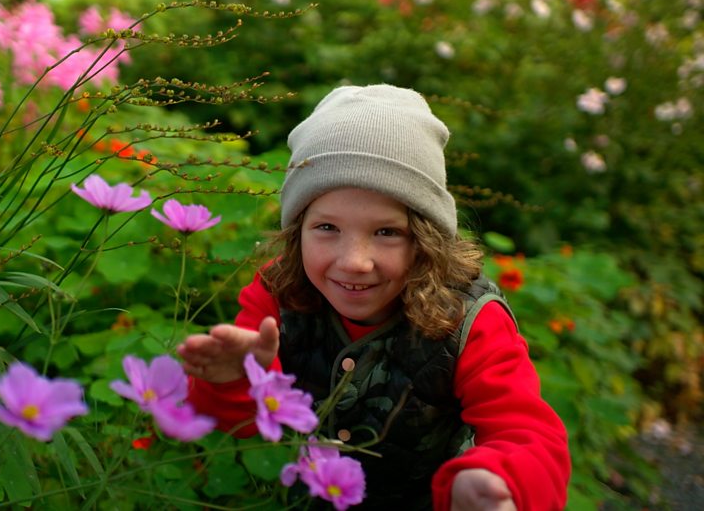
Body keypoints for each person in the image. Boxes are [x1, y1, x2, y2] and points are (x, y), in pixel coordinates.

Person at [177, 84, 570, 510]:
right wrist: (232, 379)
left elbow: (528, 433)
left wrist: (497, 480)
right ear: (297, 230)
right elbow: (240, 422)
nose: (354, 262)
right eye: (327, 228)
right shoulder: (277, 293)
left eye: (387, 233)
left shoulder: (470, 319)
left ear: (426, 239)